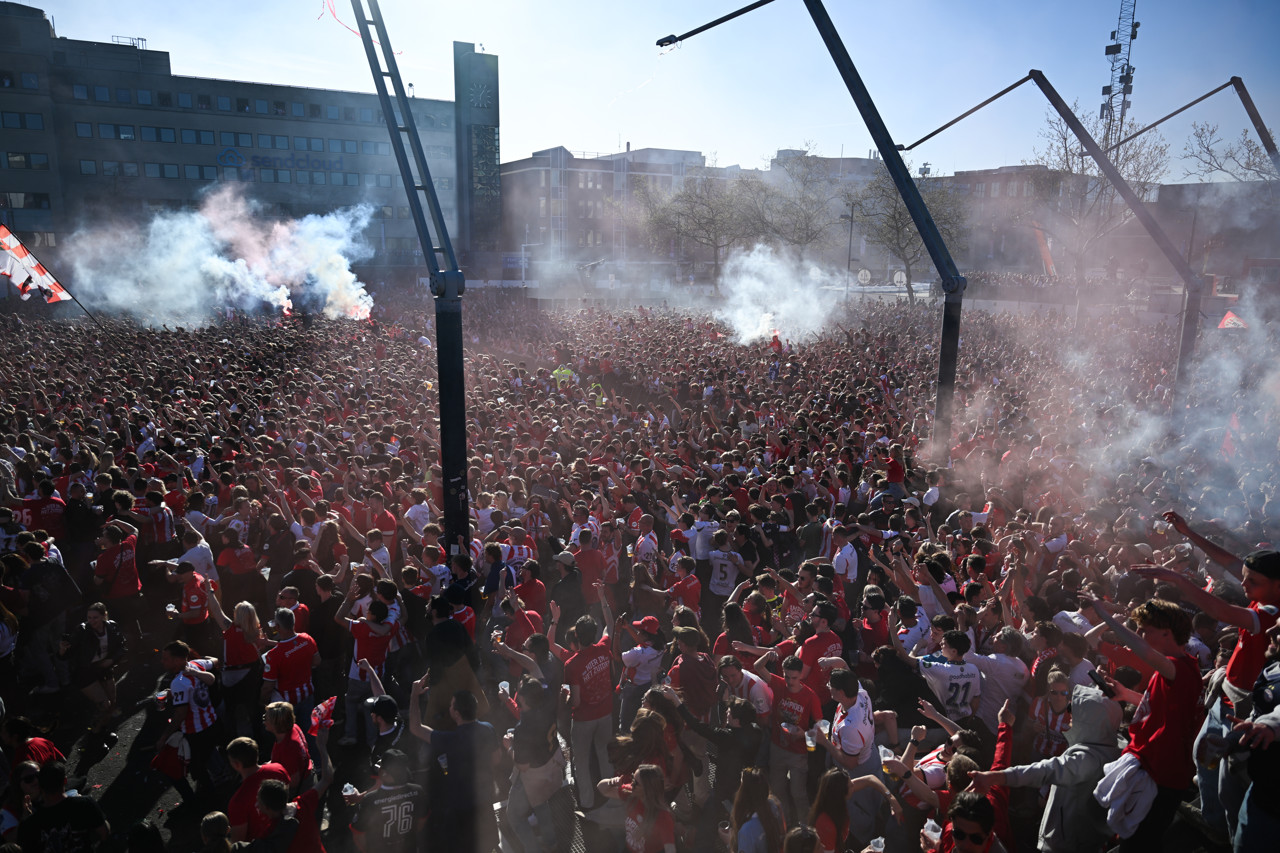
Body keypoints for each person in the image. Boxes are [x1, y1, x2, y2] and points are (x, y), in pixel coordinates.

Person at [1085, 597, 1201, 851]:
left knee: (1139, 845)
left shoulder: (1180, 668)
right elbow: (1163, 709)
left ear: (1166, 633)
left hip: (1162, 776)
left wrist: (1104, 615)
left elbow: (1142, 650)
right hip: (1152, 769)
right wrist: (1127, 695)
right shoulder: (1174, 670)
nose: (1139, 634)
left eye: (1144, 630)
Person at [969, 684, 1122, 853]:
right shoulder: (1107, 747)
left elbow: (1045, 770)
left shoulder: (1087, 759)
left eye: (1074, 710)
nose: (1069, 714)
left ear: (1090, 720)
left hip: (1064, 846)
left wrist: (995, 777)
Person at [407, 684, 499, 853]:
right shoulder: (488, 729)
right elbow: (496, 758)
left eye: (451, 705)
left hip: (461, 810)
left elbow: (415, 728)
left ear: (456, 713)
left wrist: (414, 695)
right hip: (485, 802)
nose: (449, 707)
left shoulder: (450, 740)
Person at [754, 650, 823, 825]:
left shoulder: (810, 696)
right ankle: (785, 822)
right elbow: (757, 667)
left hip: (798, 753)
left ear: (801, 675)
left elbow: (821, 728)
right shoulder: (778, 684)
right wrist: (768, 654)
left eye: (794, 678)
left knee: (798, 792)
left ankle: (805, 826)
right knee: (777, 789)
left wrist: (804, 734)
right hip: (777, 747)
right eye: (787, 677)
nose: (790, 682)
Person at [15, 761, 109, 853]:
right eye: (29, 779)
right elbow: (104, 833)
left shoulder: (29, 824)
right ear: (65, 781)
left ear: (40, 785)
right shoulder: (84, 803)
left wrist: (25, 819)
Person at [347, 748, 427, 853]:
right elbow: (422, 821)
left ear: (383, 772)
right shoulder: (418, 791)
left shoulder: (370, 799)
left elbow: (358, 834)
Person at [597, 763, 676, 853]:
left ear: (647, 789)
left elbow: (670, 849)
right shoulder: (632, 794)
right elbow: (601, 788)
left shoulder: (663, 816)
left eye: (635, 783)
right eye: (632, 778)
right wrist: (613, 781)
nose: (631, 783)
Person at [225, 735, 290, 843]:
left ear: (237, 764)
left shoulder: (237, 802)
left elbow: (238, 841)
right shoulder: (278, 769)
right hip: (286, 833)